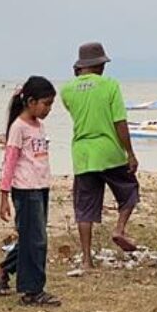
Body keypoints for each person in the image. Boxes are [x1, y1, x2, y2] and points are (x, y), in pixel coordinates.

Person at [60, 42, 140, 270]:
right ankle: (119, 229)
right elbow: (119, 122)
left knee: (85, 208)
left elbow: (76, 109)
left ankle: (86, 259)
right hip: (110, 152)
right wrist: (130, 153)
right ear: (99, 64)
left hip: (83, 155)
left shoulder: (67, 90)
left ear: (80, 66)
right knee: (129, 190)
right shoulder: (110, 85)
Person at [0, 77, 60, 306]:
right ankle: (32, 290)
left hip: (40, 187)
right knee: (36, 241)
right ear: (31, 101)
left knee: (32, 239)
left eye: (51, 105)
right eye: (45, 104)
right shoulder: (18, 127)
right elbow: (9, 162)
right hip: (25, 190)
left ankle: (0, 272)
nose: (48, 109)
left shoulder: (39, 126)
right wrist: (4, 196)